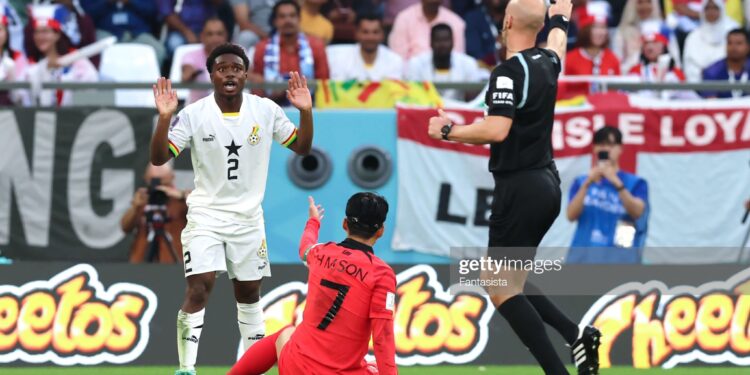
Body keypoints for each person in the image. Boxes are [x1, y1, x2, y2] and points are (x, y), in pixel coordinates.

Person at [426, 0, 601, 373]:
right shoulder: (548, 61)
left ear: (506, 22)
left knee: (500, 287)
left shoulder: (506, 72)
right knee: (509, 280)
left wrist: (447, 130)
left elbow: (497, 129)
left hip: (520, 185)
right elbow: (557, 40)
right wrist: (561, 16)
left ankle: (558, 366)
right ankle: (577, 335)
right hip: (546, 182)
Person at [149, 43, 314, 374]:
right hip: (205, 216)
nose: (229, 74)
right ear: (211, 75)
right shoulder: (194, 114)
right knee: (199, 286)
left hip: (248, 219)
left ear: (245, 74)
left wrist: (306, 112)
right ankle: (186, 368)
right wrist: (165, 118)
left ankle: (251, 366)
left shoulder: (265, 110)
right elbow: (158, 158)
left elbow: (303, 148)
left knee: (249, 293)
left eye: (236, 68)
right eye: (222, 68)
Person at [228, 193, 397, 375]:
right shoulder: (381, 274)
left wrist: (313, 221)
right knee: (375, 368)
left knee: (287, 333)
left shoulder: (319, 253)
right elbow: (382, 338)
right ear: (381, 231)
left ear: (345, 224)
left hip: (296, 366)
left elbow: (305, 247)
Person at [566, 127, 649, 264]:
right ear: (594, 149)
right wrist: (587, 183)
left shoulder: (635, 183)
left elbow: (638, 212)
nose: (605, 149)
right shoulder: (581, 181)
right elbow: (571, 215)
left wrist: (616, 182)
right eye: (600, 145)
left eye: (610, 145)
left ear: (620, 148)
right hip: (584, 257)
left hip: (620, 258)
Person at [20, 4, 99, 107]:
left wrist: (64, 75)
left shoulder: (77, 60)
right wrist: (45, 68)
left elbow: (91, 89)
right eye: (37, 32)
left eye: (45, 31)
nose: (40, 37)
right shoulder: (32, 64)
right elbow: (22, 97)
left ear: (57, 34)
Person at [121, 163, 189, 264]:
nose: (159, 188)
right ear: (146, 178)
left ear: (172, 177)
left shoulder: (181, 201)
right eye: (155, 183)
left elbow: (204, 218)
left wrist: (183, 196)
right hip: (141, 262)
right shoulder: (143, 200)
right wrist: (135, 207)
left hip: (173, 263)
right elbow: (125, 227)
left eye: (164, 184)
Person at [252, 0, 329, 83]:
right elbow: (257, 86)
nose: (288, 20)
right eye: (282, 16)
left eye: (292, 16)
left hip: (309, 95)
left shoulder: (316, 46)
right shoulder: (262, 48)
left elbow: (323, 84)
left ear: (299, 19)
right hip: (271, 95)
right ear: (275, 21)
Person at [406, 23, 487, 101]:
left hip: (458, 112)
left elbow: (473, 98)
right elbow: (413, 96)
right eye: (438, 40)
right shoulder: (416, 64)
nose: (442, 44)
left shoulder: (468, 63)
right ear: (430, 42)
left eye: (446, 40)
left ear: (453, 42)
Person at [81, 0, 166, 66]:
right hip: (106, 34)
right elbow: (86, 14)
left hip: (137, 34)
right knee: (93, 51)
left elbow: (153, 12)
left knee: (158, 50)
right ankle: (100, 87)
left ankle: (149, 86)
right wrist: (106, 2)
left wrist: (132, 1)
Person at [561, 13, 620, 99]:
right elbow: (563, 90)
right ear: (586, 30)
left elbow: (617, 90)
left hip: (605, 107)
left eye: (603, 27)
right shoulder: (570, 59)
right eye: (595, 27)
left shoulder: (612, 58)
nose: (600, 32)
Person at [329, 14, 404, 81]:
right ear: (356, 34)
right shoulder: (339, 58)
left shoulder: (395, 60)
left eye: (375, 32)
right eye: (365, 32)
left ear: (382, 35)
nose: (370, 37)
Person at [612, 0, 678, 73]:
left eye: (648, 2)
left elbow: (676, 61)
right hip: (630, 77)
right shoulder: (622, 32)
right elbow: (616, 64)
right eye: (640, 2)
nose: (644, 6)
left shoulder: (664, 30)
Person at [388, 0, 465, 61]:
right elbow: (398, 59)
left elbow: (457, 60)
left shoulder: (456, 22)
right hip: (411, 78)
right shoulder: (404, 18)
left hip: (447, 77)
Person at [683, 0, 738, 82]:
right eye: (707, 8)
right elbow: (689, 65)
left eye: (715, 8)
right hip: (700, 85)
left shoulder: (734, 32)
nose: (711, 12)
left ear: (722, 10)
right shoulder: (693, 37)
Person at [182, 17, 229, 104]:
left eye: (219, 34)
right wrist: (191, 74)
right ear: (202, 37)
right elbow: (186, 75)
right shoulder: (190, 56)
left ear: (226, 36)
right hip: (197, 111)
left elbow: (249, 76)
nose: (215, 39)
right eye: (210, 34)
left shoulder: (237, 56)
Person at [701, 28, 750, 98]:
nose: (733, 47)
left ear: (748, 47)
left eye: (739, 43)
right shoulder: (712, 72)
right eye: (729, 43)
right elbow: (711, 102)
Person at [464, 0, 506, 67]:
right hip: (485, 72)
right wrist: (497, 54)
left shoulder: (518, 18)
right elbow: (474, 55)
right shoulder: (473, 18)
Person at [0, 3, 23, 106]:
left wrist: (11, 76)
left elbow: (19, 99)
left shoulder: (17, 58)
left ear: (6, 32)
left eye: (0, 29)